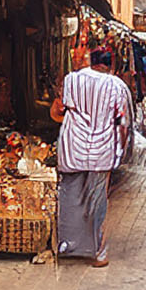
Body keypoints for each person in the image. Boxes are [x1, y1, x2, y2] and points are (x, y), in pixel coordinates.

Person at [54, 47, 132, 267]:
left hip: (73, 147)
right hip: (101, 150)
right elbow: (122, 122)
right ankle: (98, 253)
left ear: (91, 62)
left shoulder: (72, 79)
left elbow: (62, 108)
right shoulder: (115, 85)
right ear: (109, 65)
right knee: (97, 201)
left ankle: (67, 246)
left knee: (70, 196)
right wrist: (121, 151)